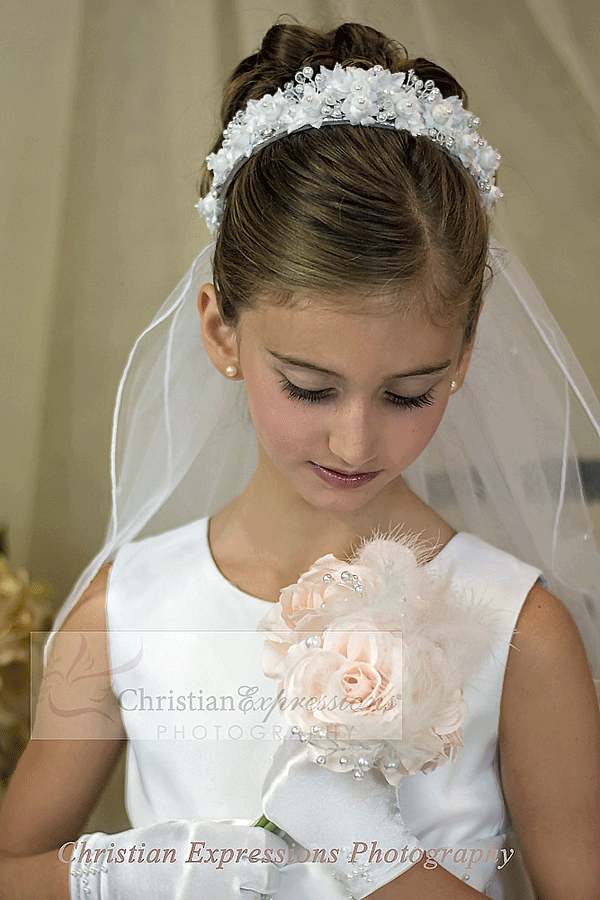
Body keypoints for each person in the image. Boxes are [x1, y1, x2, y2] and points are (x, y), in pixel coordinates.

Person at [1, 20, 599, 900]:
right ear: (221, 332)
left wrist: (375, 857)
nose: (356, 443)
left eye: (408, 394)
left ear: (465, 351)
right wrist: (134, 872)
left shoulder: (521, 634)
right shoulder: (121, 612)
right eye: (311, 389)